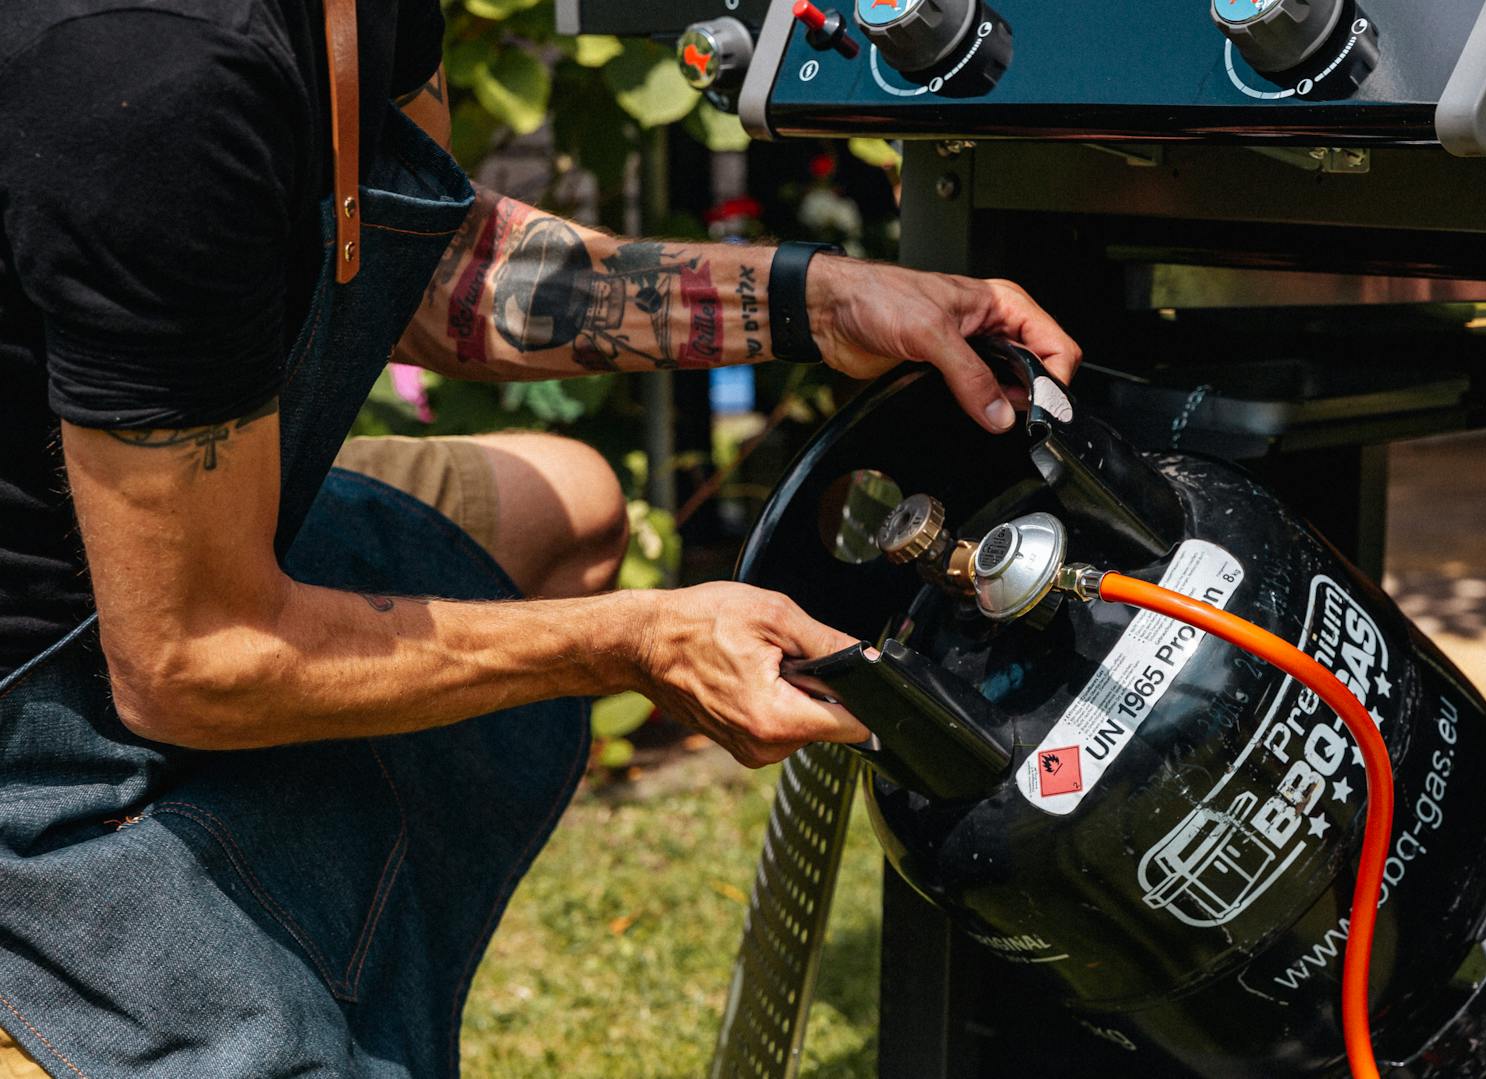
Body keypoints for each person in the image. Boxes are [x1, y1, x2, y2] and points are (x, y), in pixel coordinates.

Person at [0, 0, 1080, 1074]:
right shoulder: (153, 76)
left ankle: (270, 897)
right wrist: (633, 642)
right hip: (49, 702)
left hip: (168, 571)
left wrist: (819, 300)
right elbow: (196, 659)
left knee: (561, 506)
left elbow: (440, 267)